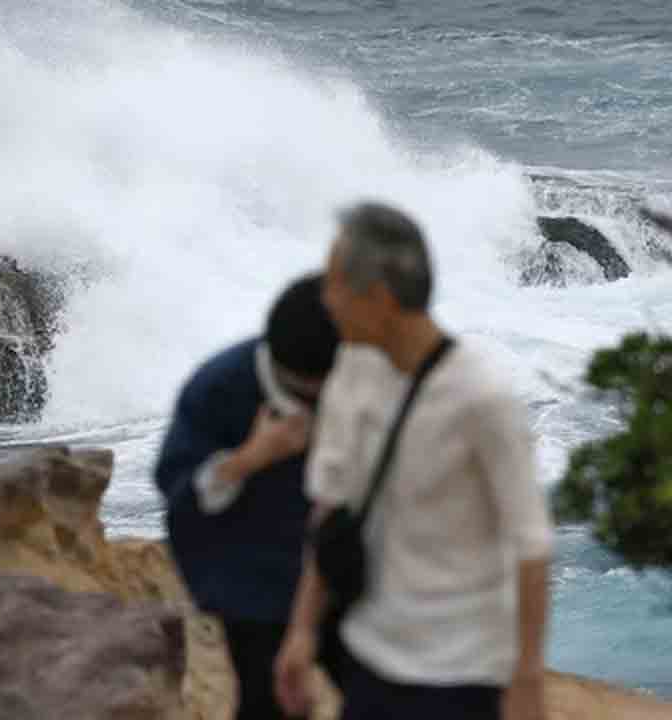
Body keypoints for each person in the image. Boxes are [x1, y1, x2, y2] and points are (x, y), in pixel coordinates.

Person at [273, 203, 553, 720]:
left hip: (465, 677)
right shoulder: (351, 376)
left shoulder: (481, 399)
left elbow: (531, 544)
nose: (326, 301)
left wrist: (528, 677)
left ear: (378, 299)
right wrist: (301, 630)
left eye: (335, 285)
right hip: (372, 664)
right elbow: (330, 510)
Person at [155, 272, 340, 720]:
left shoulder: (363, 373)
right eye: (307, 394)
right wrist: (252, 457)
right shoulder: (218, 387)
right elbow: (181, 498)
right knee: (271, 700)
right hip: (249, 575)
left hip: (342, 565)